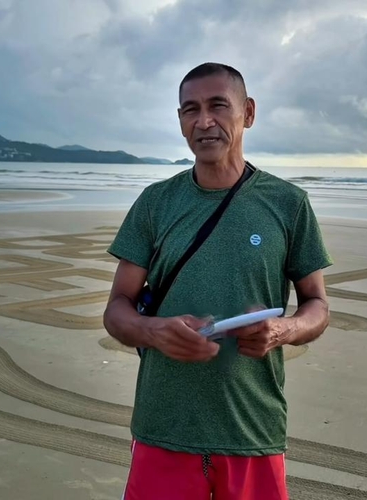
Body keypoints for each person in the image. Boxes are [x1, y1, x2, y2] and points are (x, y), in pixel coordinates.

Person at [104, 62, 332, 500]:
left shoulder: (289, 204)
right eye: (191, 109)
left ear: (248, 113)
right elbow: (117, 308)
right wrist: (154, 331)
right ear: (180, 120)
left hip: (252, 427)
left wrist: (282, 330)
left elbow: (317, 305)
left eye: (218, 106)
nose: (204, 121)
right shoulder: (155, 202)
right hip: (164, 426)